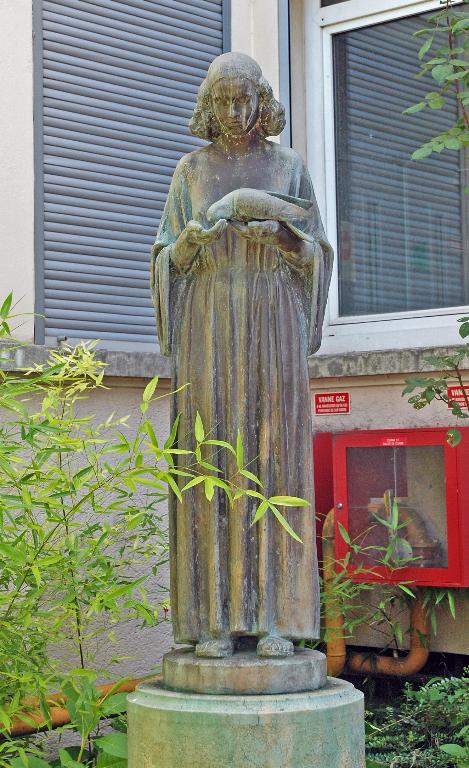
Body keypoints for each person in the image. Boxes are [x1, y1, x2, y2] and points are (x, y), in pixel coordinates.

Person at [151, 52, 333, 659]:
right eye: (223, 101)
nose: (234, 112)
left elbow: (316, 250)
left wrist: (281, 236)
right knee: (211, 458)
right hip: (208, 323)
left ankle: (278, 618)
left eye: (244, 99)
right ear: (209, 104)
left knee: (274, 453)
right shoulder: (191, 170)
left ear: (262, 102)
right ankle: (214, 621)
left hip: (272, 322)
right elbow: (164, 260)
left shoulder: (288, 166)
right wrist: (189, 241)